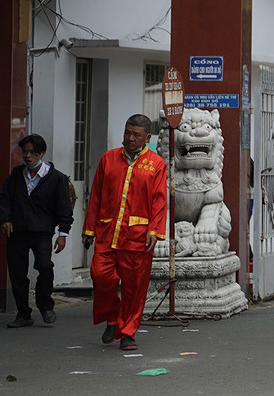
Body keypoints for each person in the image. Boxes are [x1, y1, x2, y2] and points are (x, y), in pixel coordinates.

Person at [82, 114, 167, 351]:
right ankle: (112, 317)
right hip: (107, 232)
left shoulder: (156, 164)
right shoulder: (108, 160)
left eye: (135, 135)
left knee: (134, 288)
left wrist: (155, 230)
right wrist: (89, 229)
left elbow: (160, 201)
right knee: (100, 276)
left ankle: (128, 332)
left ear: (147, 138)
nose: (129, 138)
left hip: (138, 237)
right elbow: (96, 196)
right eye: (127, 133)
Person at [1, 134, 74, 327]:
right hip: (17, 231)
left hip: (42, 231)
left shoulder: (55, 178)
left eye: (32, 152)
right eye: (24, 152)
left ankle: (45, 305)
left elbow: (64, 207)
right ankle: (23, 314)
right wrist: (6, 219)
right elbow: (5, 198)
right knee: (17, 271)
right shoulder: (17, 174)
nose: (27, 156)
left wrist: (63, 234)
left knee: (44, 267)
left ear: (42, 153)